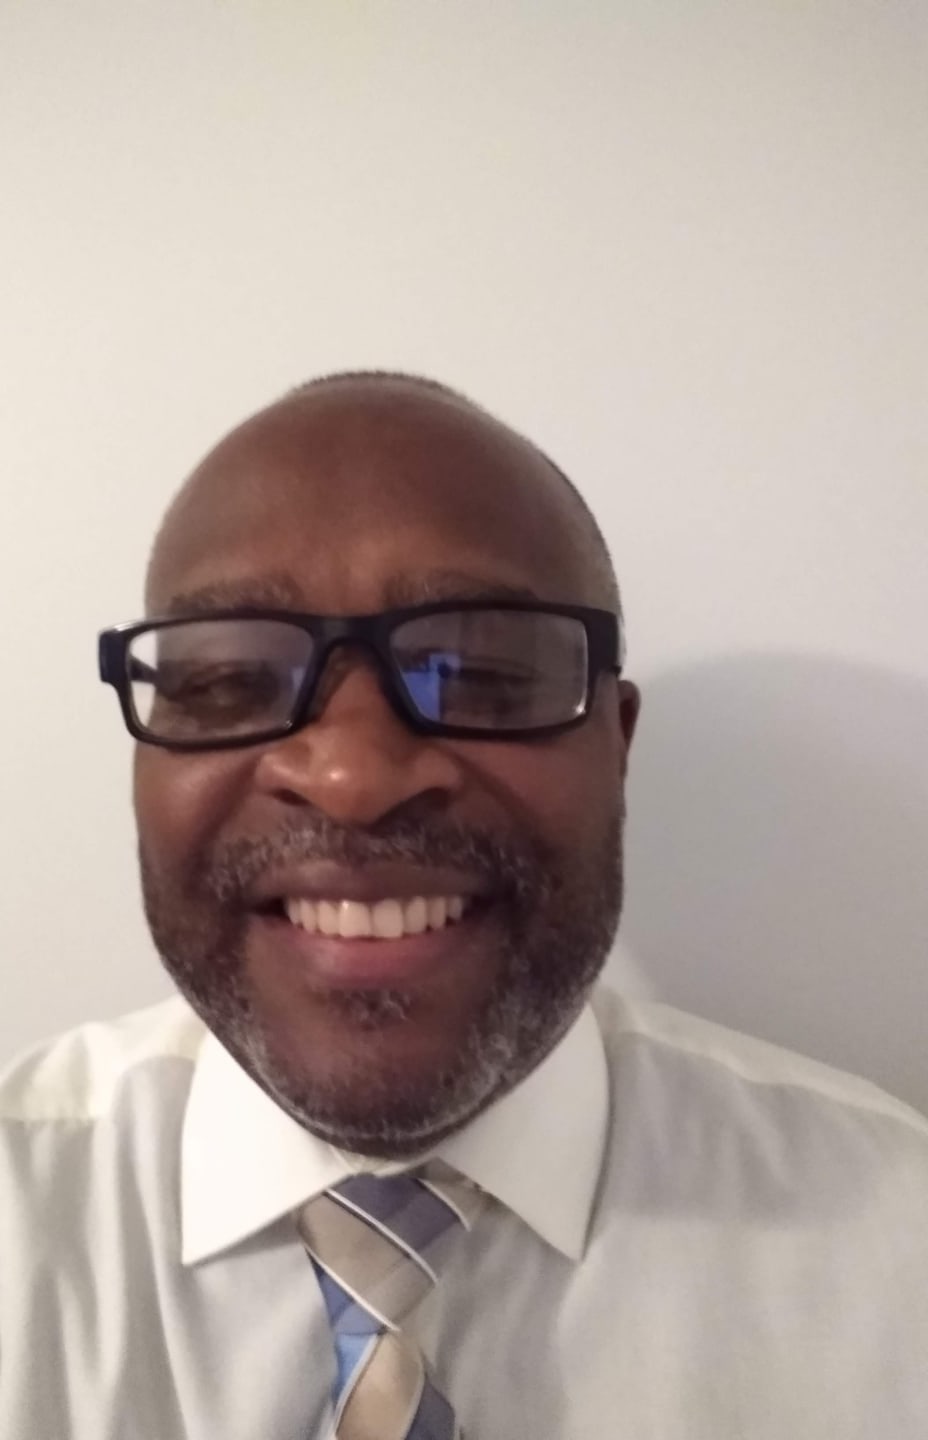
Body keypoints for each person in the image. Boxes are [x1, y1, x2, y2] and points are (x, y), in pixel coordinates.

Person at [1, 371, 926, 1440]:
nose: (352, 776)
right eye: (231, 685)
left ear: (617, 745)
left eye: (479, 674)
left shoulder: (896, 1249)